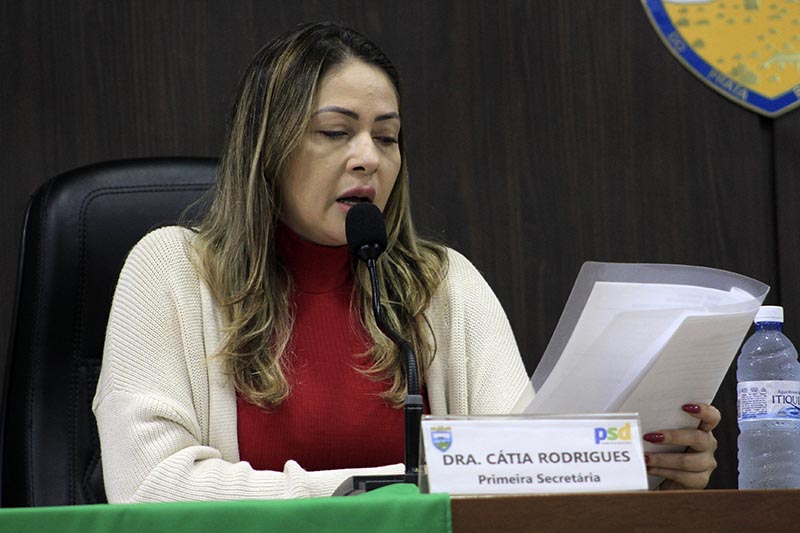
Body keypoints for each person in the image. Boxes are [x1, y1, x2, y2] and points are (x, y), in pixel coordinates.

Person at [92, 22, 718, 503]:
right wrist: (384, 492)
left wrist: (651, 472)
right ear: (267, 147)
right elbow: (150, 486)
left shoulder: (442, 286)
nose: (369, 157)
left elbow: (522, 480)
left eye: (387, 137)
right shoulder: (172, 271)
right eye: (336, 131)